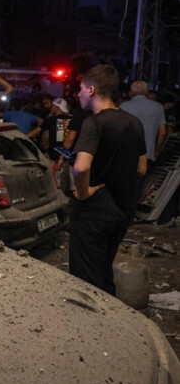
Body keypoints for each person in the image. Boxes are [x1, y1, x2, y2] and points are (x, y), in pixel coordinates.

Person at [70, 64, 147, 295]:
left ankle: (91, 328)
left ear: (92, 90)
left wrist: (83, 193)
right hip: (121, 211)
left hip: (92, 212)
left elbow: (81, 168)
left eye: (81, 88)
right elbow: (142, 169)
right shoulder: (134, 123)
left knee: (85, 283)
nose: (78, 93)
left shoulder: (93, 123)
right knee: (104, 273)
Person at [119, 80, 167, 163]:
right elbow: (163, 132)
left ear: (131, 92)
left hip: (126, 154)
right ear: (147, 92)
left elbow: (118, 131)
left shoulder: (124, 106)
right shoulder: (158, 107)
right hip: (148, 154)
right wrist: (156, 151)